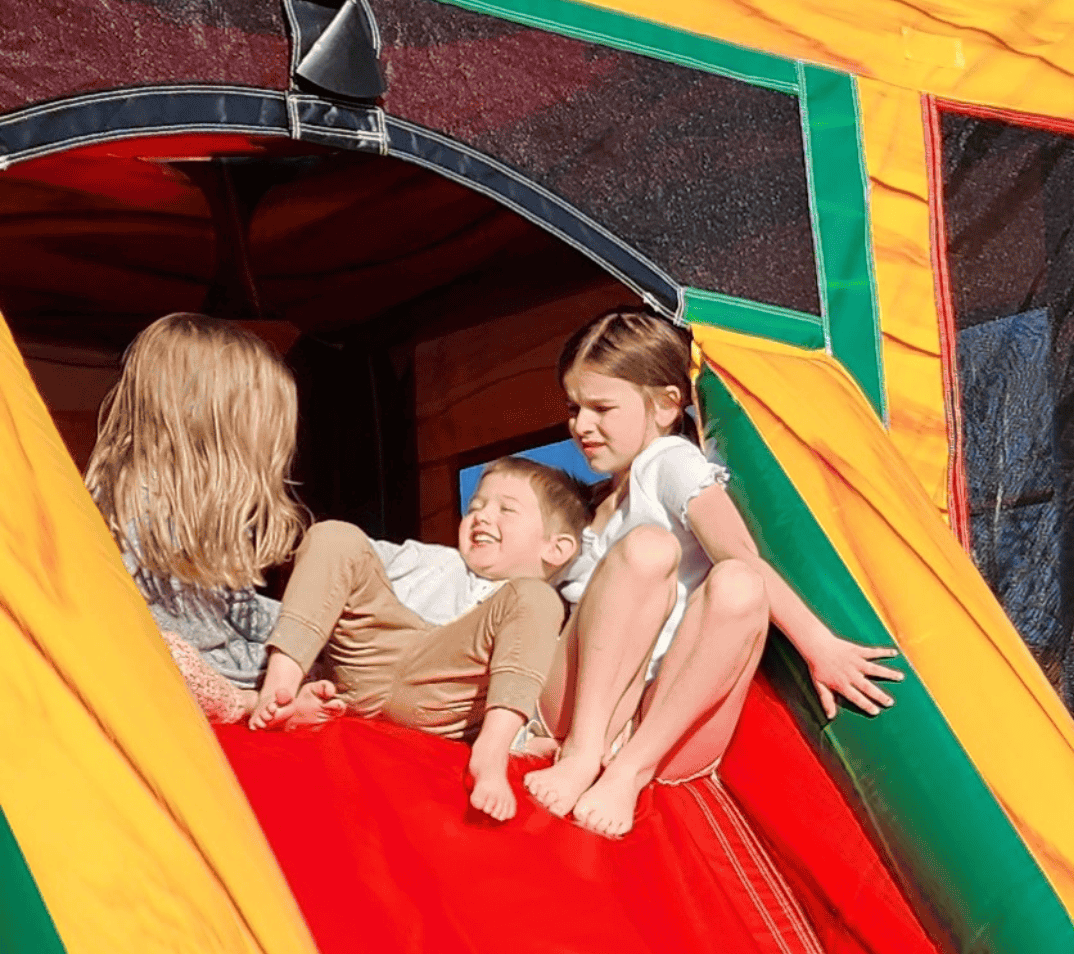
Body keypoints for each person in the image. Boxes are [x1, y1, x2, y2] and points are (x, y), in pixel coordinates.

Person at [522, 308, 903, 838]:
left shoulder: (668, 462)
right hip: (586, 706)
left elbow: (741, 555)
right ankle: (587, 751)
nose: (580, 425)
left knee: (728, 580)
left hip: (659, 723)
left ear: (665, 405)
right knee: (648, 552)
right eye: (574, 407)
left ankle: (624, 768)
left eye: (601, 407)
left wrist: (819, 644)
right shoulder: (596, 504)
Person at [248, 457, 587, 820]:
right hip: (370, 659)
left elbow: (529, 689)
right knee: (334, 535)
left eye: (506, 509)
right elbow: (341, 566)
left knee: (536, 597)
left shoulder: (534, 612)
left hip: (443, 691)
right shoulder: (428, 560)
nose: (483, 515)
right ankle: (281, 688)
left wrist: (527, 742)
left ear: (557, 548)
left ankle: (491, 751)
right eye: (476, 506)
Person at [86, 313, 342, 726]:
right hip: (169, 670)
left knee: (314, 642)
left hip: (223, 663)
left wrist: (308, 624)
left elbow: (235, 612)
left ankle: (269, 694)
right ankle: (251, 702)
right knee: (166, 658)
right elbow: (130, 640)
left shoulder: (201, 517)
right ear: (213, 430)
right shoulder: (136, 510)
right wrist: (245, 695)